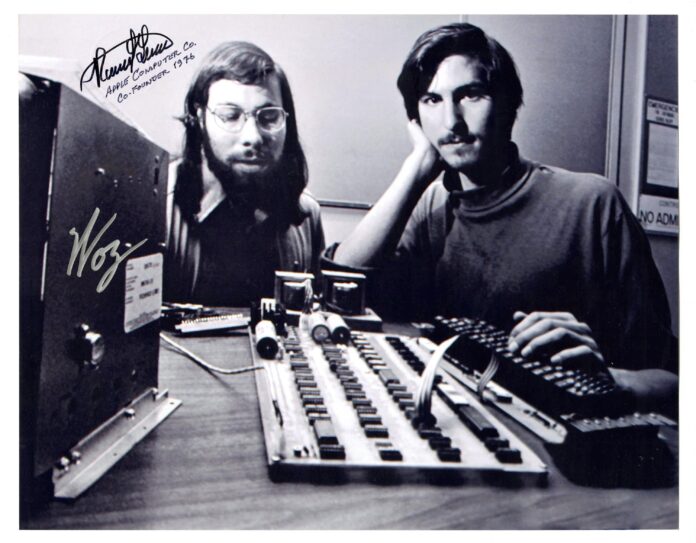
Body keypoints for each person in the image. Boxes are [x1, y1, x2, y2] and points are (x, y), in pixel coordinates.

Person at [329, 23, 677, 413]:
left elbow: (672, 381)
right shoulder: (432, 207)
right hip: (459, 426)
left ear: (508, 103)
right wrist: (417, 167)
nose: (452, 121)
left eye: (470, 95)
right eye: (431, 100)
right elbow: (341, 287)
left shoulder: (593, 204)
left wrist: (605, 379)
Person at [166, 42, 324, 306]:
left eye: (269, 117)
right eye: (230, 116)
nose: (253, 137)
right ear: (200, 118)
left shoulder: (306, 214)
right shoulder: (157, 209)